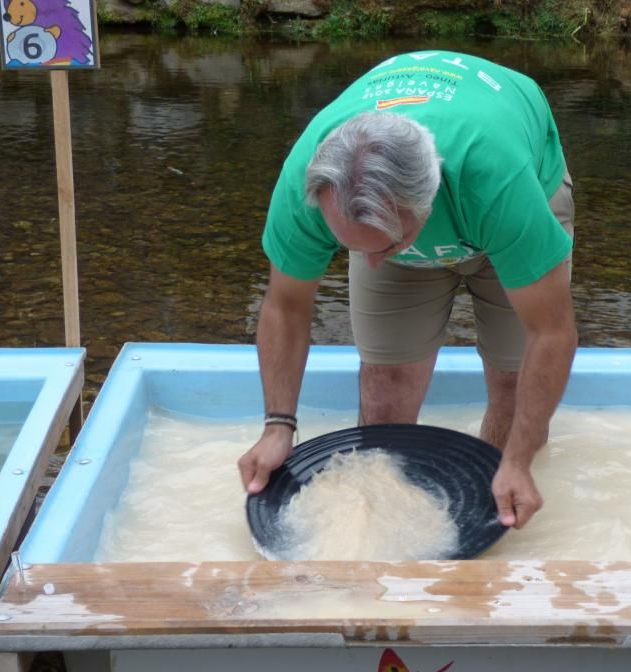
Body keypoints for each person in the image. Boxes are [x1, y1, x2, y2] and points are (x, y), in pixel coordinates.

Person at [238, 50, 577, 529]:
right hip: (409, 206)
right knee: (386, 386)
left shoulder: (495, 180)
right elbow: (286, 307)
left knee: (511, 380)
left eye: (387, 245)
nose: (372, 264)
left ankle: (496, 500)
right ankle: (383, 522)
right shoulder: (308, 185)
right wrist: (278, 426)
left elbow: (553, 332)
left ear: (428, 202)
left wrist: (519, 460)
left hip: (507, 183)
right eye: (354, 248)